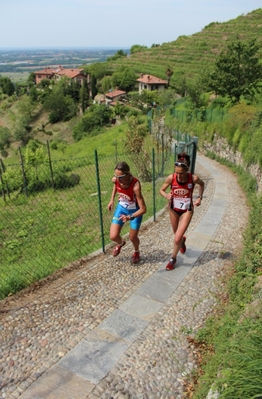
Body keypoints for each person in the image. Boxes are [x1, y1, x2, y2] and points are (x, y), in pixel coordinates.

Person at [159, 152, 205, 270]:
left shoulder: (193, 178)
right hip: (174, 209)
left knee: (176, 238)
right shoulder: (171, 178)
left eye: (181, 173)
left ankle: (173, 259)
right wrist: (166, 195)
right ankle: (182, 242)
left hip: (187, 210)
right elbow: (161, 190)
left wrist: (199, 197)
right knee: (177, 236)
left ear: (187, 170)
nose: (179, 176)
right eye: (177, 173)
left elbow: (202, 185)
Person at [107, 161, 147, 264]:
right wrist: (112, 199)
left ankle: (136, 252)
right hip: (121, 208)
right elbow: (115, 185)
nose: (118, 179)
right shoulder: (116, 180)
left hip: (134, 211)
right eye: (116, 176)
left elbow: (143, 209)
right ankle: (120, 244)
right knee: (113, 236)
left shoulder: (135, 186)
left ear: (127, 174)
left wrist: (130, 217)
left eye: (120, 177)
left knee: (133, 237)